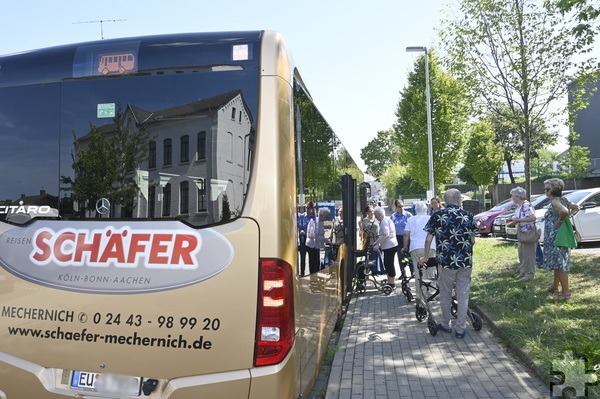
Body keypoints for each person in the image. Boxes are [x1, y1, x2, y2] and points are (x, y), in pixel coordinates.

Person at [421, 189, 477, 339]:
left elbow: (428, 239)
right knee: (463, 294)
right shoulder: (468, 216)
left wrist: (426, 257)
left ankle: (446, 324)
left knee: (445, 293)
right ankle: (461, 328)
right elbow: (473, 240)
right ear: (459, 200)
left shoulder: (438, 215)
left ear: (445, 201)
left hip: (446, 262)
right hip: (465, 262)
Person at [542, 178, 579, 300]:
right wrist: (569, 216)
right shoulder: (564, 200)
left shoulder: (555, 202)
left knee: (561, 264)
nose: (545, 191)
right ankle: (554, 286)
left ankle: (566, 293)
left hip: (556, 237)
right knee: (558, 262)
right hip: (559, 236)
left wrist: (560, 221)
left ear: (551, 190)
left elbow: (563, 211)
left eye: (546, 189)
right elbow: (576, 207)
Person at [402, 201, 436, 300]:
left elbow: (406, 234)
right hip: (431, 247)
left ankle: (420, 294)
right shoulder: (431, 218)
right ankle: (431, 292)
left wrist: (405, 247)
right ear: (426, 209)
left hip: (416, 247)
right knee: (430, 270)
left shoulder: (411, 219)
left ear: (415, 210)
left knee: (418, 271)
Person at [508, 187, 538, 282]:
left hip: (528, 233)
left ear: (518, 196)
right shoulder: (519, 206)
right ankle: (523, 272)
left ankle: (530, 274)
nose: (512, 197)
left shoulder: (526, 205)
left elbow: (533, 217)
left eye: (513, 195)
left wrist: (519, 220)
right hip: (522, 233)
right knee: (522, 253)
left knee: (529, 254)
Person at [372, 206, 399, 287]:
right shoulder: (386, 220)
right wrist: (376, 242)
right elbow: (382, 235)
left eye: (376, 215)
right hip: (391, 245)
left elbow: (386, 234)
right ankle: (390, 281)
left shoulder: (384, 221)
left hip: (389, 246)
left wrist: (379, 245)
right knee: (388, 263)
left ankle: (392, 283)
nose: (375, 217)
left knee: (389, 264)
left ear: (379, 214)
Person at [390, 199, 412, 277]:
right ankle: (403, 273)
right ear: (396, 207)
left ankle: (412, 272)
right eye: (399, 206)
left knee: (410, 255)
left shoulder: (408, 215)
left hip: (408, 238)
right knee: (400, 256)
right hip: (398, 238)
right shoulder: (393, 217)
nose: (401, 208)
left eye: (402, 206)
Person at [306, 206, 329, 274]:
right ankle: (312, 276)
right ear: (320, 215)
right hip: (311, 244)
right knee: (312, 262)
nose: (324, 218)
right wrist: (318, 238)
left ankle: (316, 275)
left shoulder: (321, 223)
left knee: (317, 261)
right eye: (324, 216)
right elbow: (311, 234)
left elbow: (321, 235)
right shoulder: (313, 221)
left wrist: (326, 240)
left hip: (317, 245)